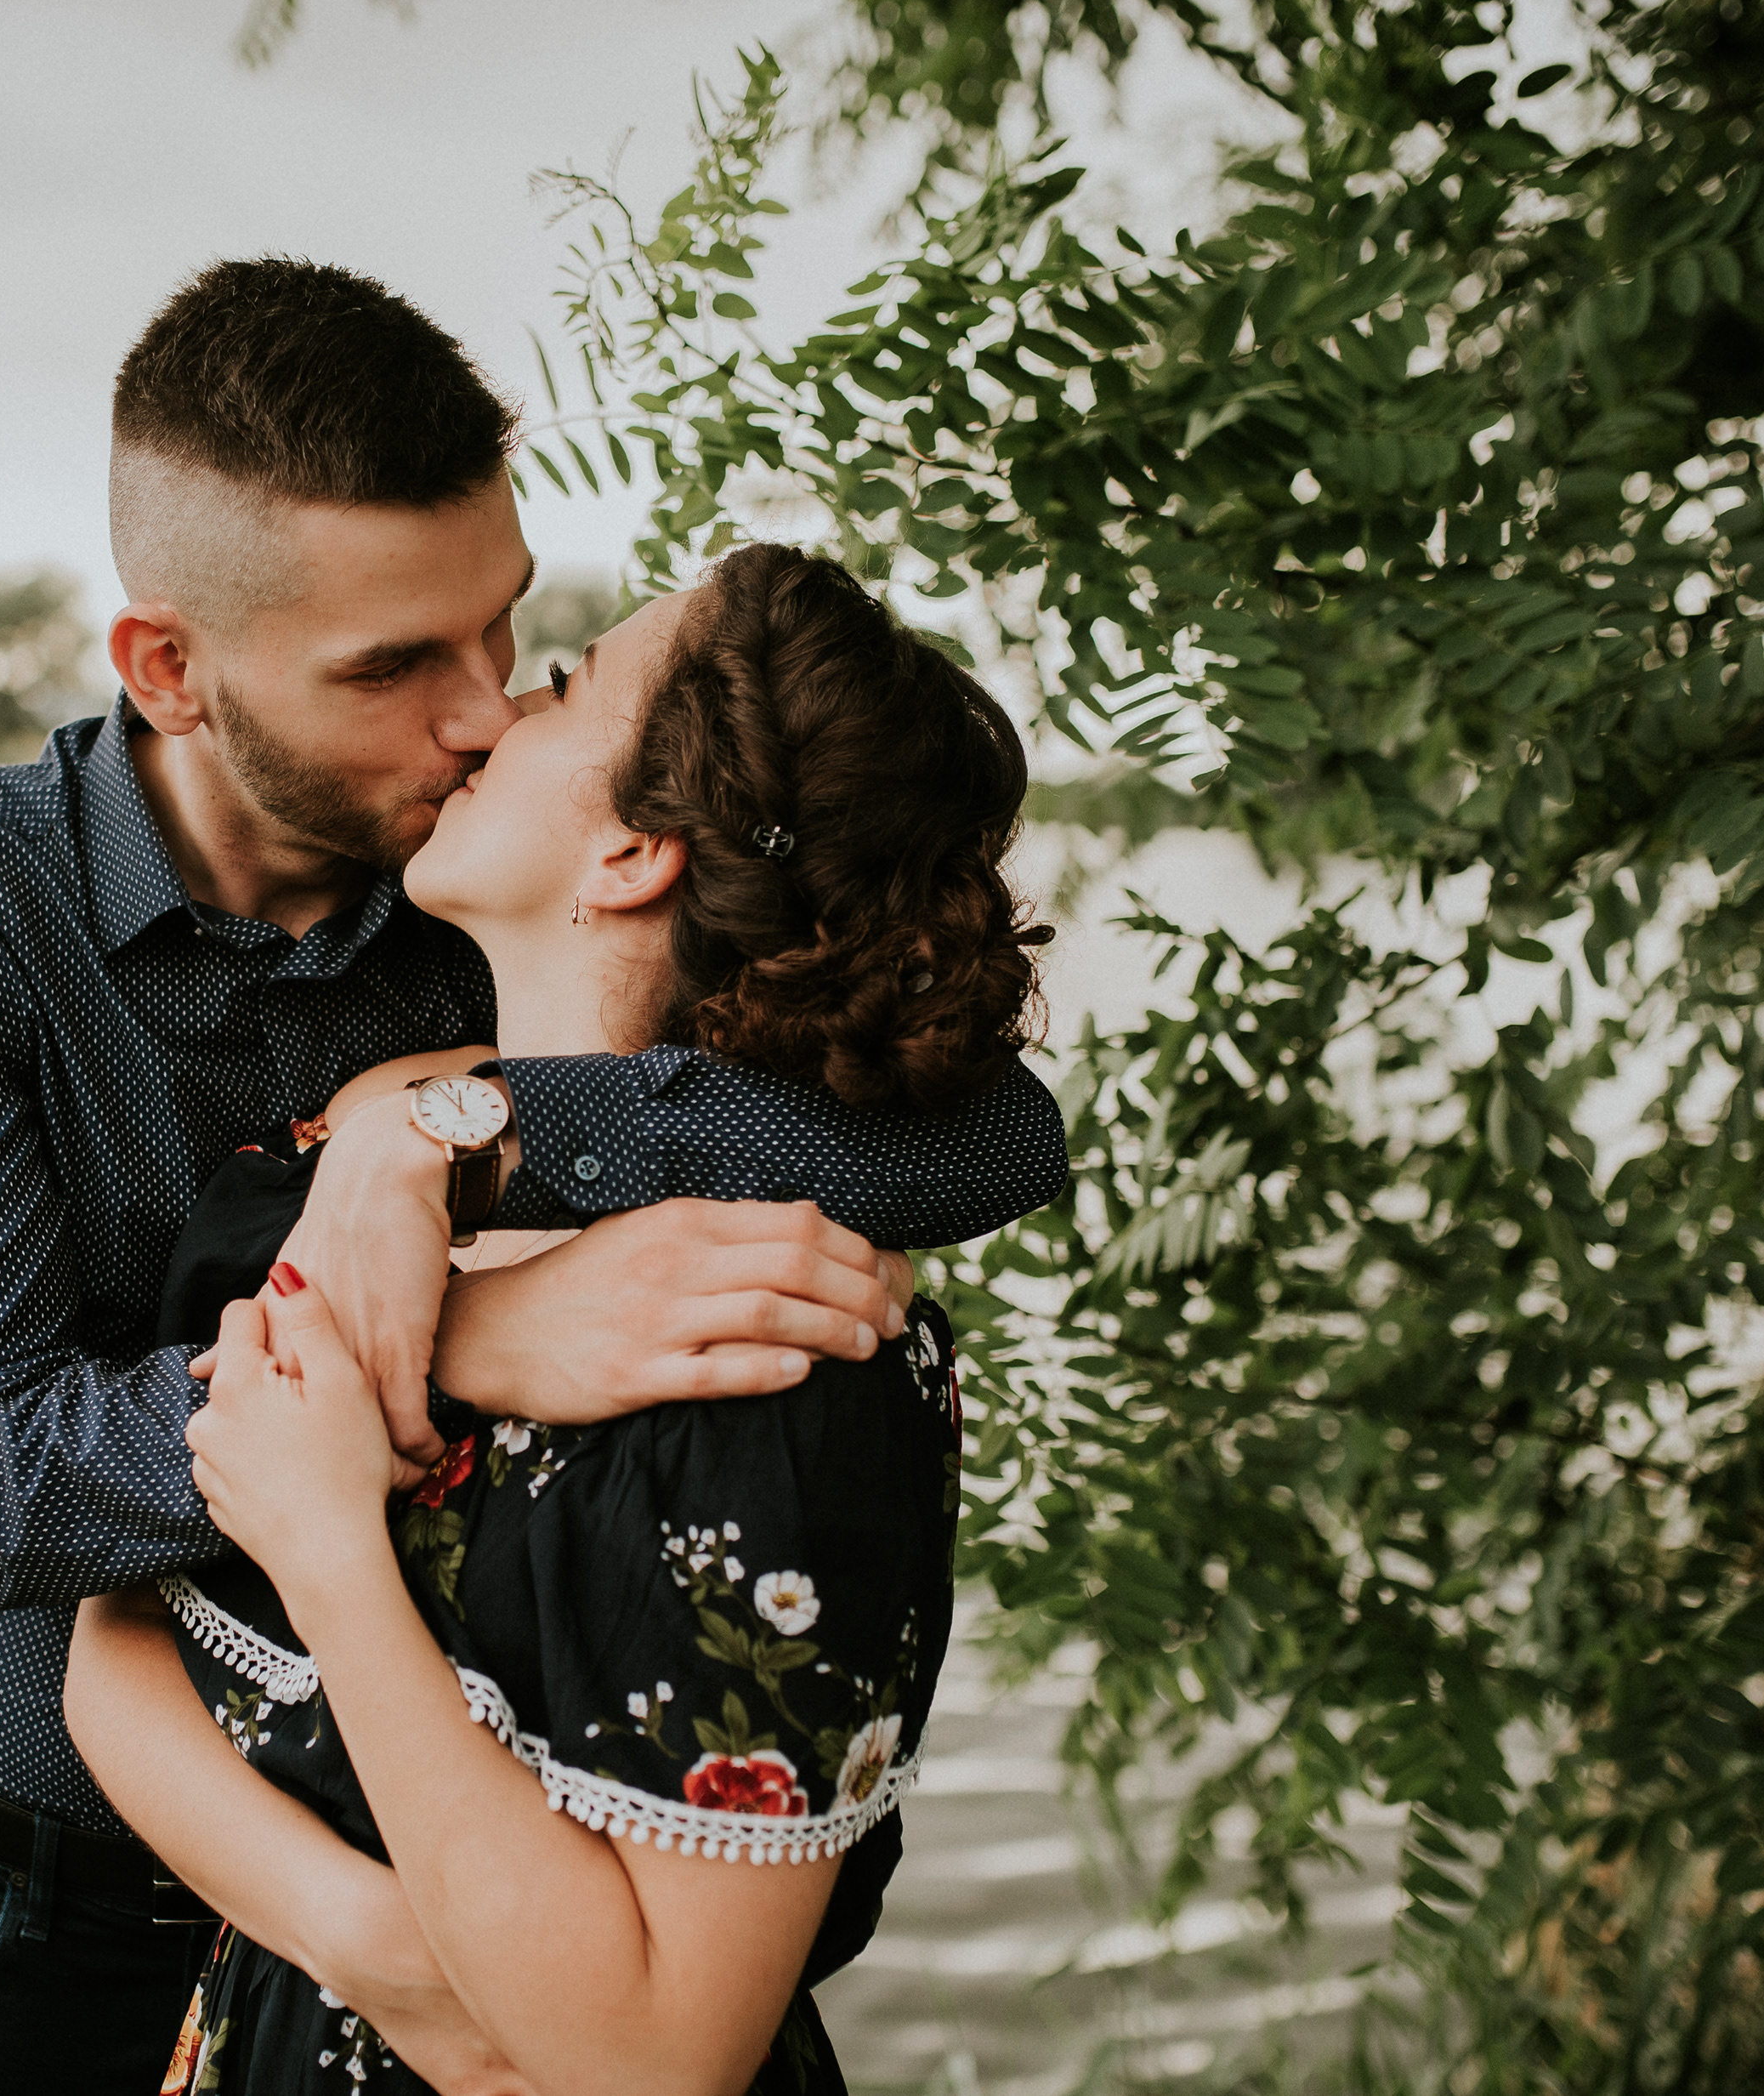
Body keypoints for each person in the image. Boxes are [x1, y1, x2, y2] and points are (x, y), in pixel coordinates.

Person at [0, 263, 1074, 2091]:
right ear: (171, 671)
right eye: (393, 668)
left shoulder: (479, 891)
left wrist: (451, 1131)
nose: (480, 713)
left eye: (504, 630)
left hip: (457, 1887)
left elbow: (995, 1135)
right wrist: (454, 1340)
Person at [66, 542, 1070, 2093]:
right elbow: (115, 1647)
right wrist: (376, 1948)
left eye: (560, 683)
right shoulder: (365, 1174)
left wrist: (333, 1551)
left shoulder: (767, 1345)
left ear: (633, 854)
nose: (493, 714)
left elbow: (654, 2063)